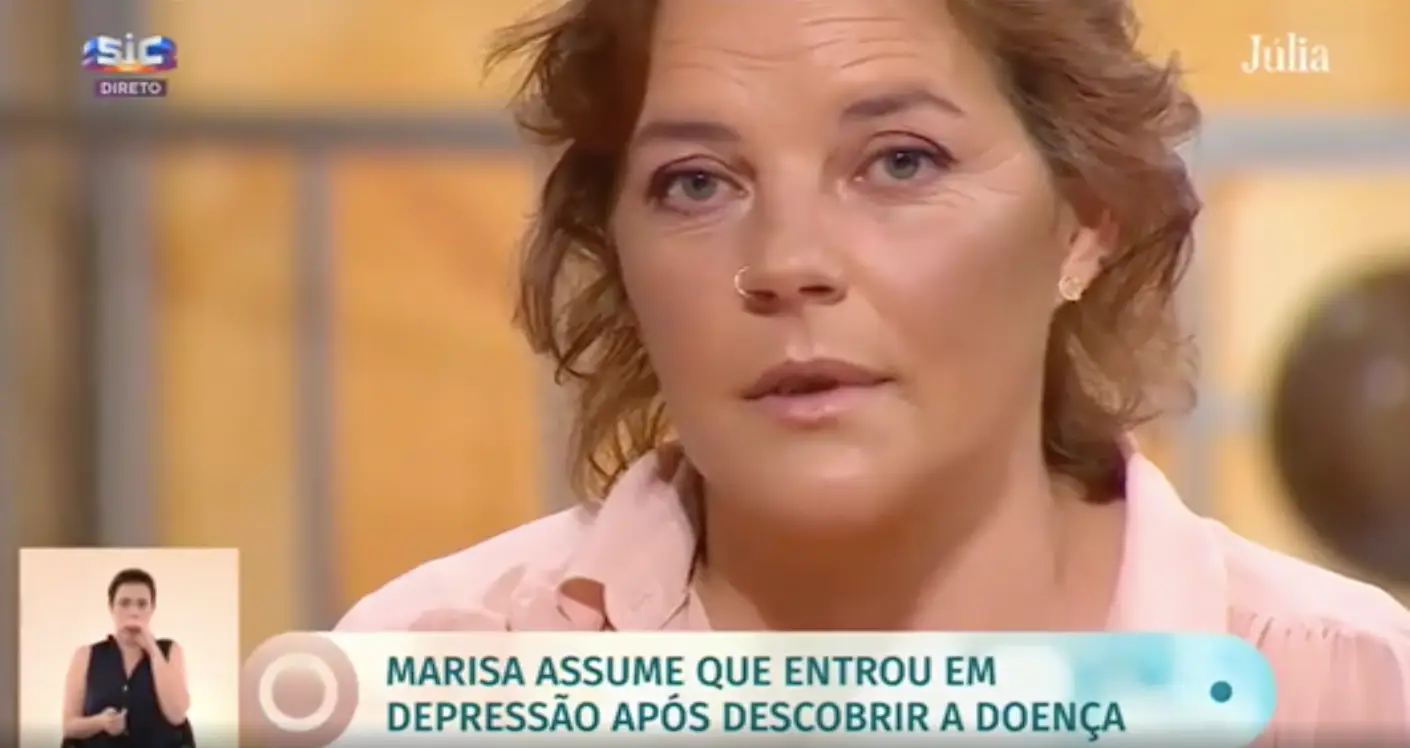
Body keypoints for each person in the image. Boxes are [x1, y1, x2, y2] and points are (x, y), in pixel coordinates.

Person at [337, 0, 1410, 738]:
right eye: (697, 182)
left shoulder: (1350, 690)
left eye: (900, 161)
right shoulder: (421, 680)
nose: (787, 262)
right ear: (615, 246)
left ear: (1088, 221)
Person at [62, 568, 193, 748]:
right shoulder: (86, 655)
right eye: (124, 603)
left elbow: (177, 714)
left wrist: (152, 649)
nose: (133, 612)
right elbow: (69, 726)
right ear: (111, 608)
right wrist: (100, 722)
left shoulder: (169, 651)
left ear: (152, 609)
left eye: (142, 604)